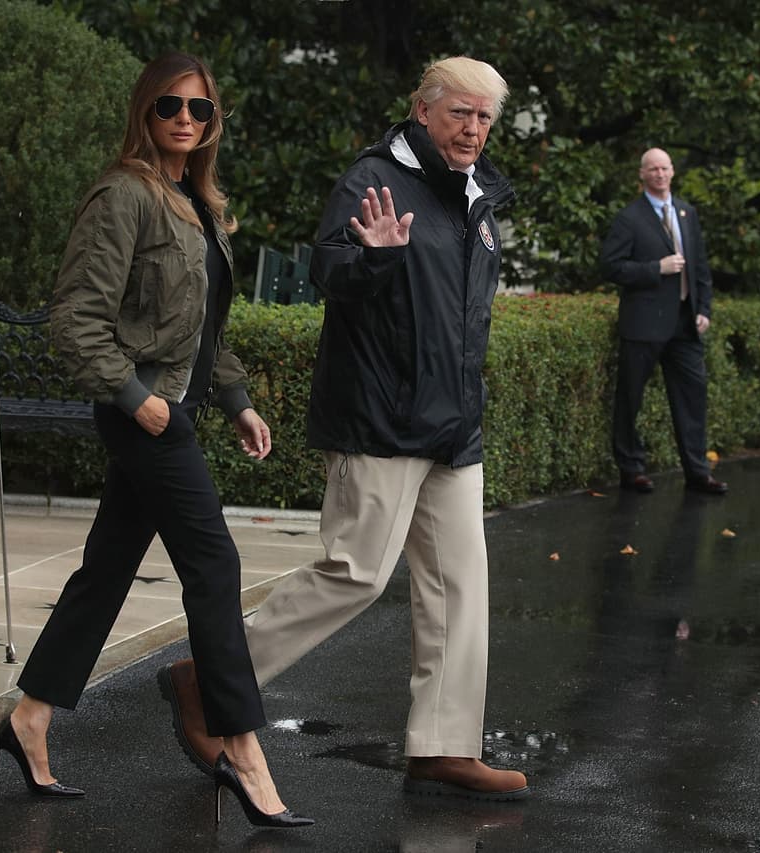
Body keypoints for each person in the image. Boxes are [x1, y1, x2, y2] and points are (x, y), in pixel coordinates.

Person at [159, 56, 530, 802]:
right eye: (460, 112)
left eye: (485, 117)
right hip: (381, 417)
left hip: (454, 427)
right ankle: (208, 680)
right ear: (424, 110)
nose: (473, 129)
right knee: (354, 574)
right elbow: (333, 275)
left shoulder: (477, 193)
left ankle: (444, 747)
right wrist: (379, 259)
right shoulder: (374, 178)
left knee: (460, 586)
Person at [0, 52, 312, 830]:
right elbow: (75, 318)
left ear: (212, 123)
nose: (184, 120)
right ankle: (240, 744)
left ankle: (29, 716)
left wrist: (235, 400)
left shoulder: (195, 202)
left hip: (176, 408)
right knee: (215, 561)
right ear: (145, 111)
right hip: (145, 413)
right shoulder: (123, 195)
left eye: (199, 110)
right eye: (170, 105)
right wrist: (138, 402)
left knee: (106, 572)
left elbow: (201, 329)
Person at [599, 147, 728, 495]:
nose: (659, 174)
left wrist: (704, 310)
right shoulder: (629, 218)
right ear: (642, 175)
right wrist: (656, 269)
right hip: (643, 325)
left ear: (673, 172)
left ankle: (698, 471)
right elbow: (610, 266)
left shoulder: (687, 213)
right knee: (630, 400)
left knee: (692, 398)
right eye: (652, 169)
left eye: (665, 168)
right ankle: (631, 469)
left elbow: (700, 267)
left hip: (685, 325)